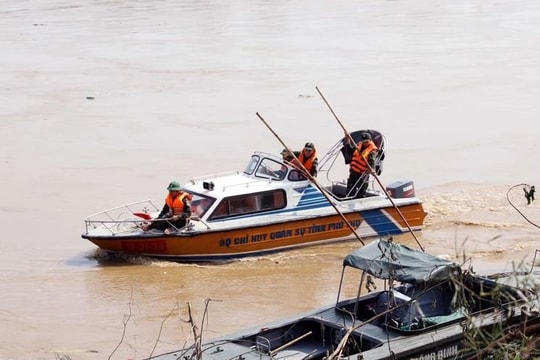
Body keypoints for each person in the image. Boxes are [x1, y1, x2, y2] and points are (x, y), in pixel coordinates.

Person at [345, 132, 378, 198]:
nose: (365, 143)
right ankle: (348, 201)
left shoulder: (372, 151)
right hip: (353, 173)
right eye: (363, 141)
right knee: (349, 191)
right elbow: (349, 151)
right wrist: (348, 139)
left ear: (370, 140)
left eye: (366, 141)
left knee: (360, 193)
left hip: (362, 176)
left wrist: (372, 169)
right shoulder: (358, 145)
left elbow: (372, 162)